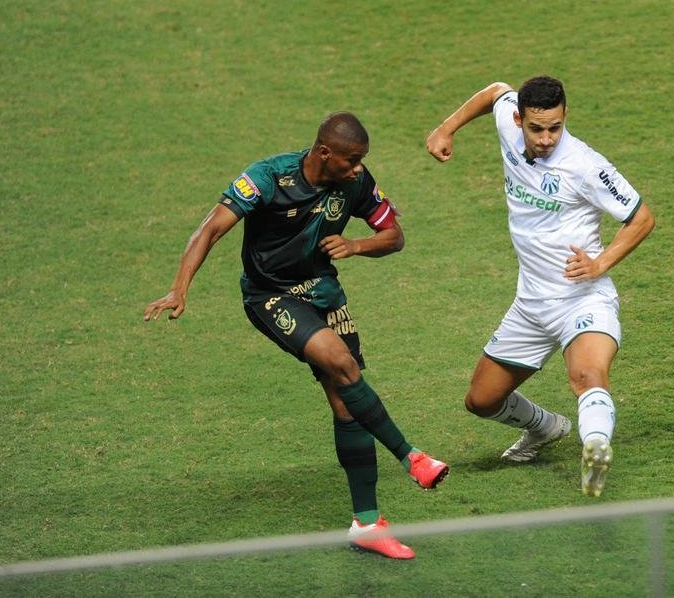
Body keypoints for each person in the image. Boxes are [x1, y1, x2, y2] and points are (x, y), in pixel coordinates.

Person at [143, 111, 448, 559]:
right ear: (325, 153)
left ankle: (367, 525)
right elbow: (211, 228)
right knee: (341, 363)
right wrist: (179, 288)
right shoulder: (268, 178)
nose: (359, 168)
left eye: (362, 160)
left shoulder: (356, 183)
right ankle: (412, 457)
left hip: (324, 292)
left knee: (347, 403)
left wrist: (356, 245)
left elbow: (393, 235)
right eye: (351, 160)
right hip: (271, 296)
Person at [426, 76, 655, 497]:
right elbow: (495, 91)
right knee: (481, 400)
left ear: (565, 116)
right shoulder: (507, 121)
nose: (547, 138)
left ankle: (595, 446)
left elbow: (641, 218)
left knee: (586, 375)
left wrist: (600, 263)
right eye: (536, 128)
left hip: (582, 299)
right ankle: (546, 428)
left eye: (555, 127)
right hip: (530, 304)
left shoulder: (586, 165)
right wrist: (447, 128)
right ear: (520, 120)